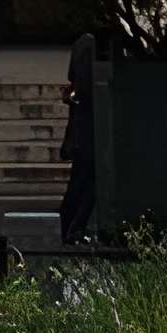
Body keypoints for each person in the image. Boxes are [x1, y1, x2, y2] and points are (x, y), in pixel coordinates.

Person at [59, 30, 98, 242]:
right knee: (87, 183)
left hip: (83, 135)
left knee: (83, 183)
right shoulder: (89, 45)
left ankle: (71, 227)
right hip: (87, 136)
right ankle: (73, 228)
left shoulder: (82, 44)